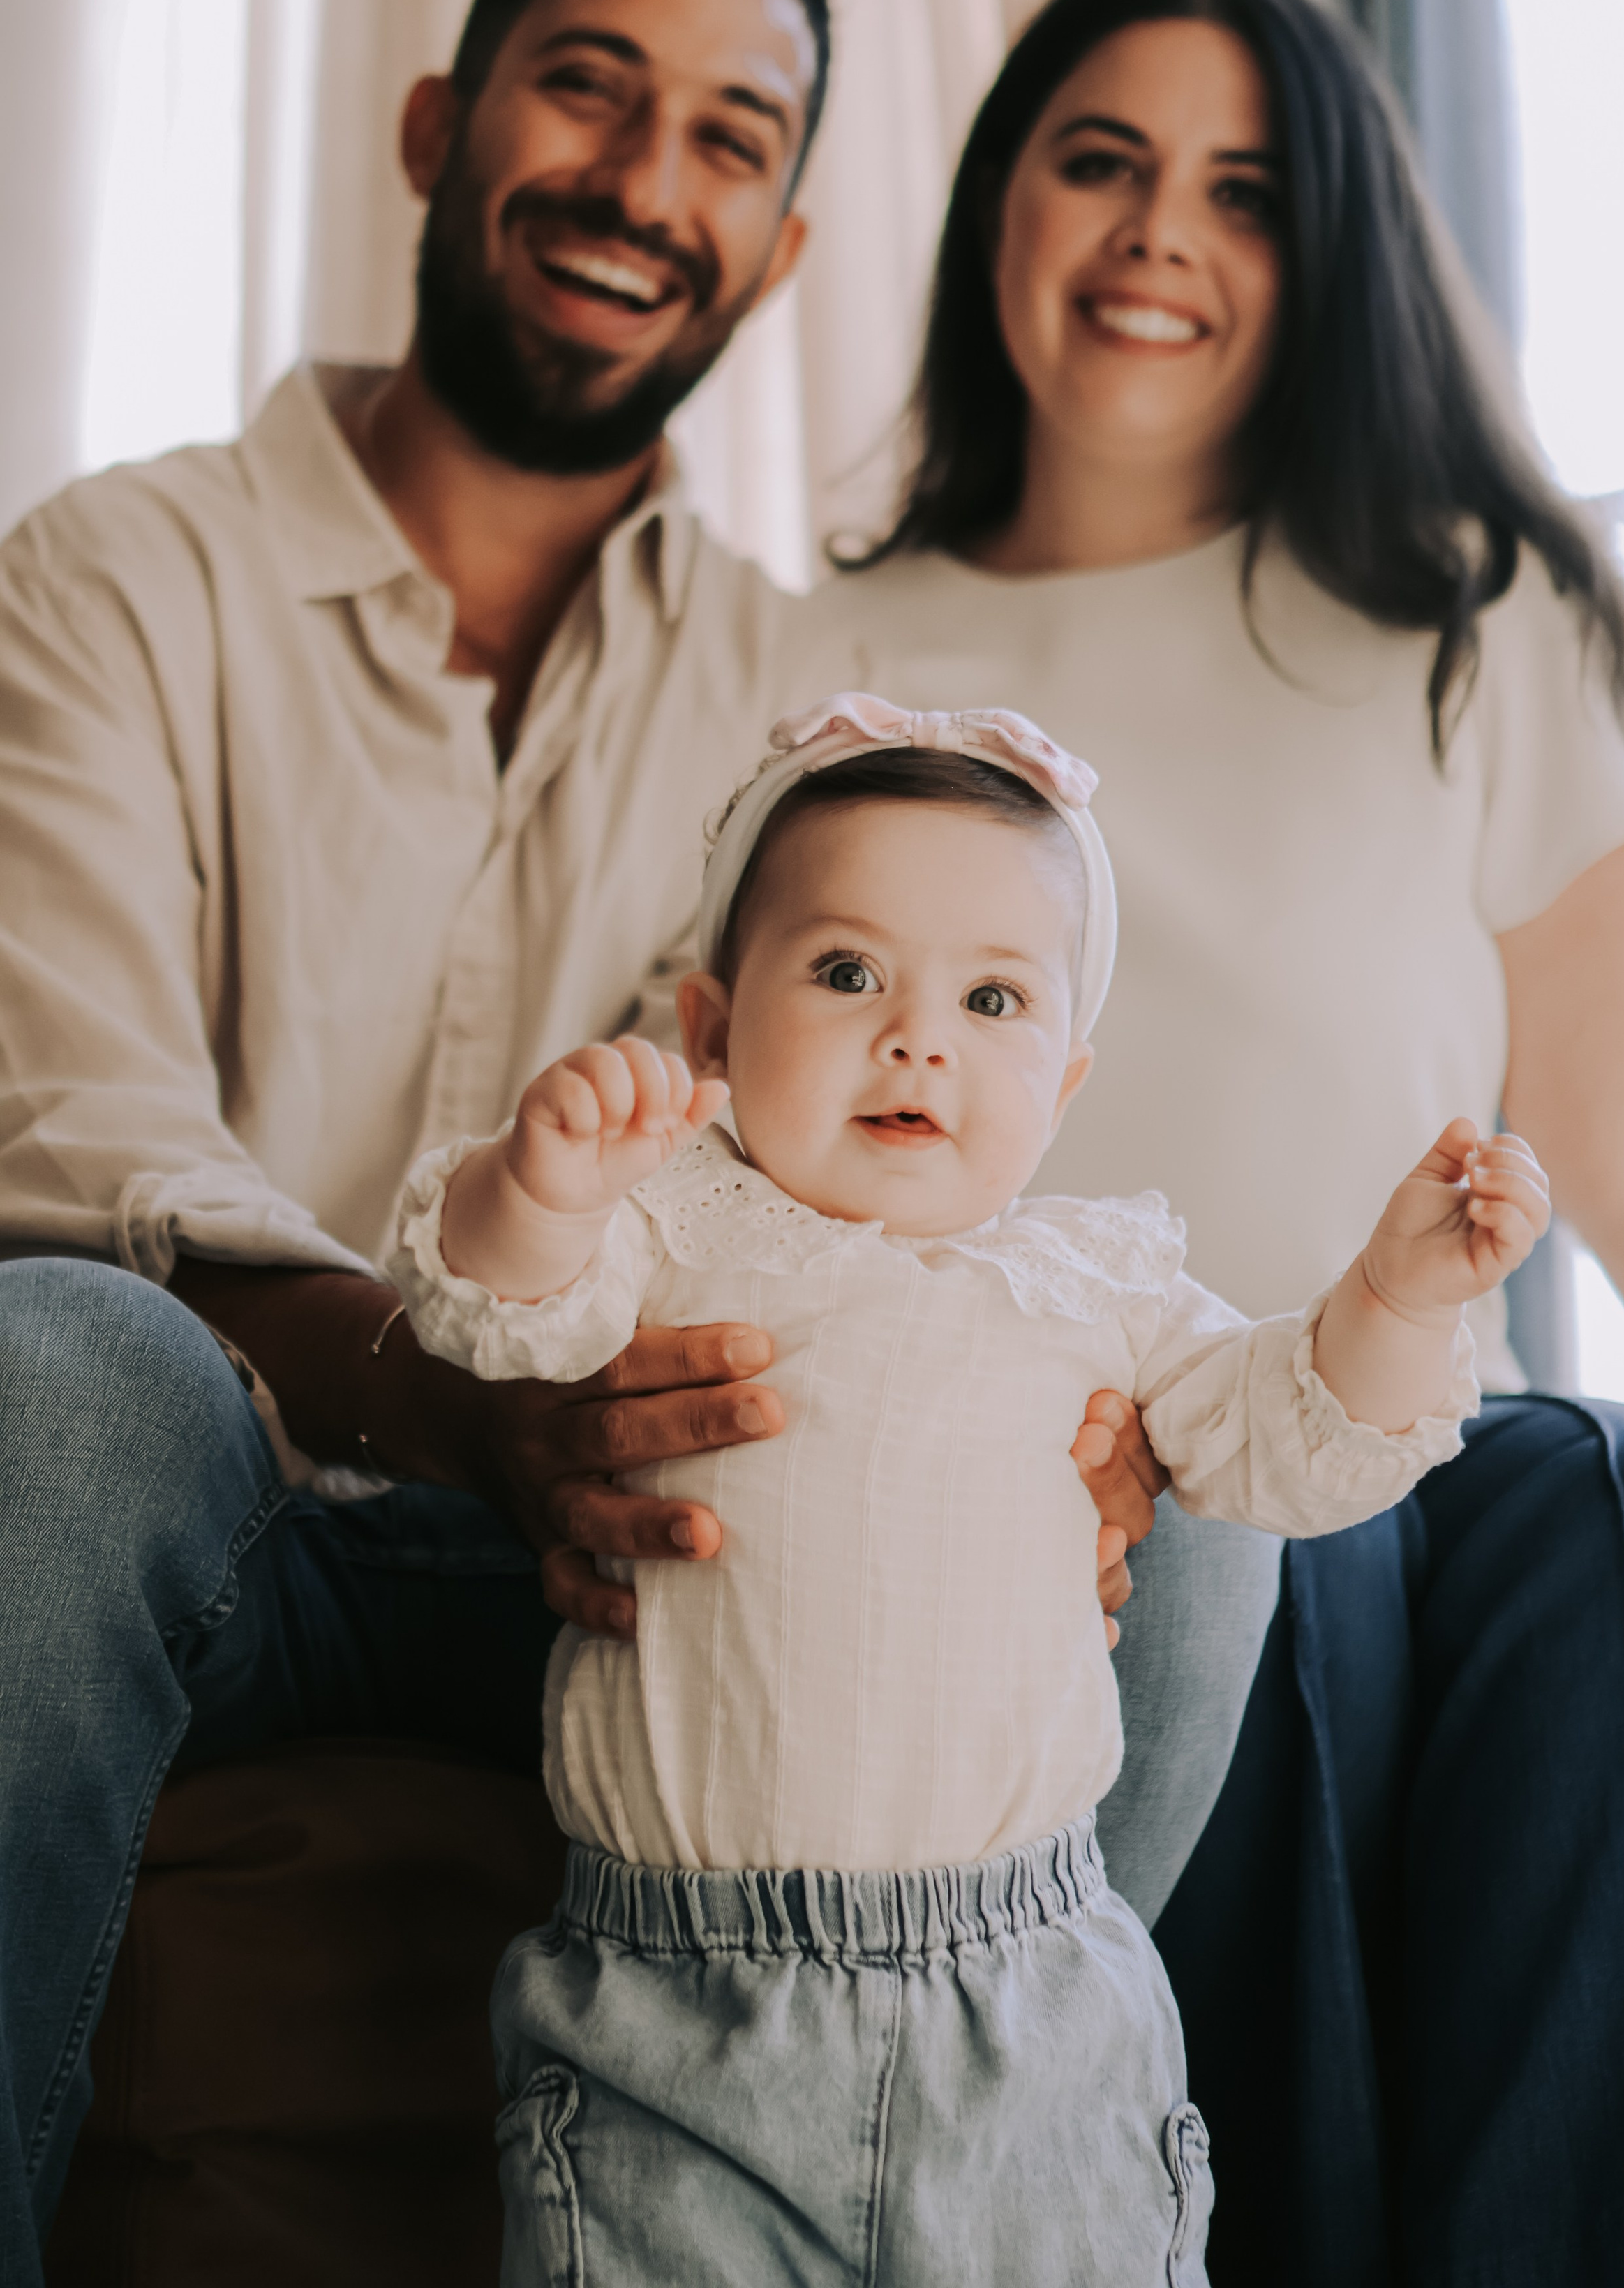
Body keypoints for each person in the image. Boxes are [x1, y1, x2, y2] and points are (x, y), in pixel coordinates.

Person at [0, 0, 1158, 2281]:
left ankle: (996, 2195)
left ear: (786, 244)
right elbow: (72, 1139)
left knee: (1218, 1499)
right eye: (590, 91)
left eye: (733, 137)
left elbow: (821, 1188)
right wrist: (455, 1392)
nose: (648, 184)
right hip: (238, 1520)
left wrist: (1067, 1425)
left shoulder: (801, 714)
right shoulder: (111, 583)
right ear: (440, 126)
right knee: (54, 1369)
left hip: (652, 1550)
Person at [794, 0, 1624, 2283]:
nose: (1162, 231)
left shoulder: (1474, 622)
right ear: (999, 215)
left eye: (1244, 190)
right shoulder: (809, 661)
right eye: (1103, 164)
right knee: (1233, 1538)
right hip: (1046, 1516)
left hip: (1419, 1475)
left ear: (1323, 258)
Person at [389, 692, 1547, 2286]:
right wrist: (533, 1186)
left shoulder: (1100, 1278)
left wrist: (1398, 1304)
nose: (916, 1037)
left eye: (991, 998)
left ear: (1063, 1083)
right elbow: (494, 1314)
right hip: (675, 2015)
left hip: (1033, 2010)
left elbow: (1288, 1442)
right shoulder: (667, 1224)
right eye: (848, 972)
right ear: (712, 1029)